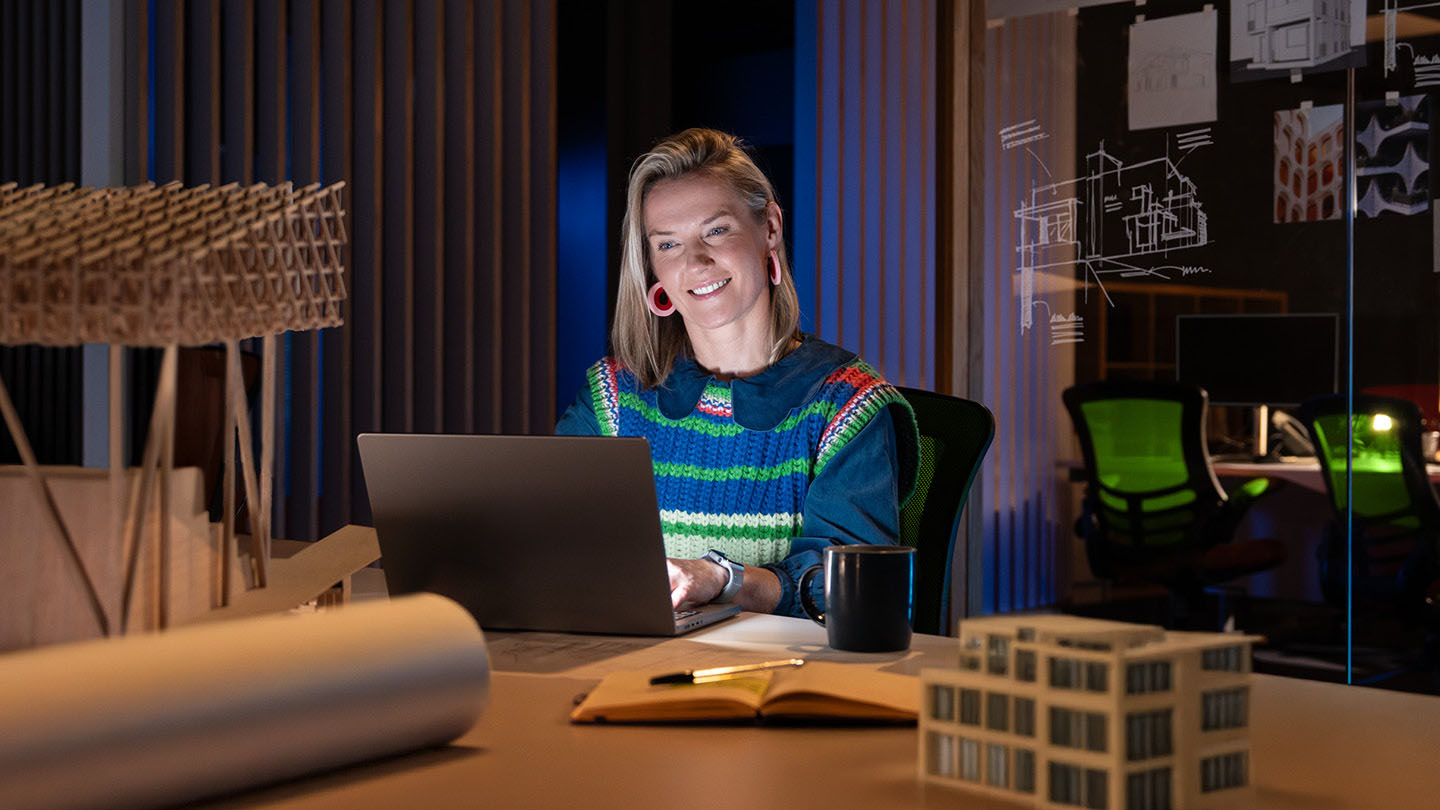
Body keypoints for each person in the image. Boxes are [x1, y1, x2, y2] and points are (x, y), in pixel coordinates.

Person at [556, 128, 918, 618]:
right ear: (652, 268)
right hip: (634, 665)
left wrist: (721, 580)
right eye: (668, 245)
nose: (695, 262)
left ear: (769, 227)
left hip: (787, 677)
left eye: (716, 231)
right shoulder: (615, 397)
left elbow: (851, 594)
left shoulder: (846, 404)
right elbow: (551, 541)